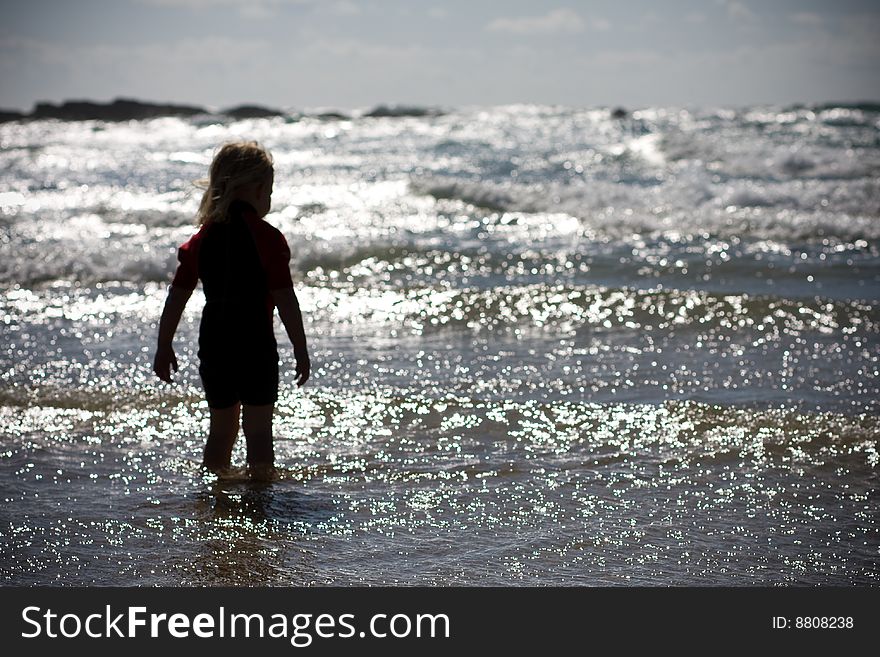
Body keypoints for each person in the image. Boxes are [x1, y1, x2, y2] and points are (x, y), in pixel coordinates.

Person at [153, 141, 310, 478]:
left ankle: (215, 496)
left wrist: (164, 345)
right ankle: (258, 502)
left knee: (221, 430)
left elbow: (176, 296)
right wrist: (300, 346)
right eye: (269, 190)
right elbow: (285, 299)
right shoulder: (267, 237)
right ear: (256, 189)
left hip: (215, 343)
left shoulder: (201, 239)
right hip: (255, 343)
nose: (268, 198)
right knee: (258, 432)